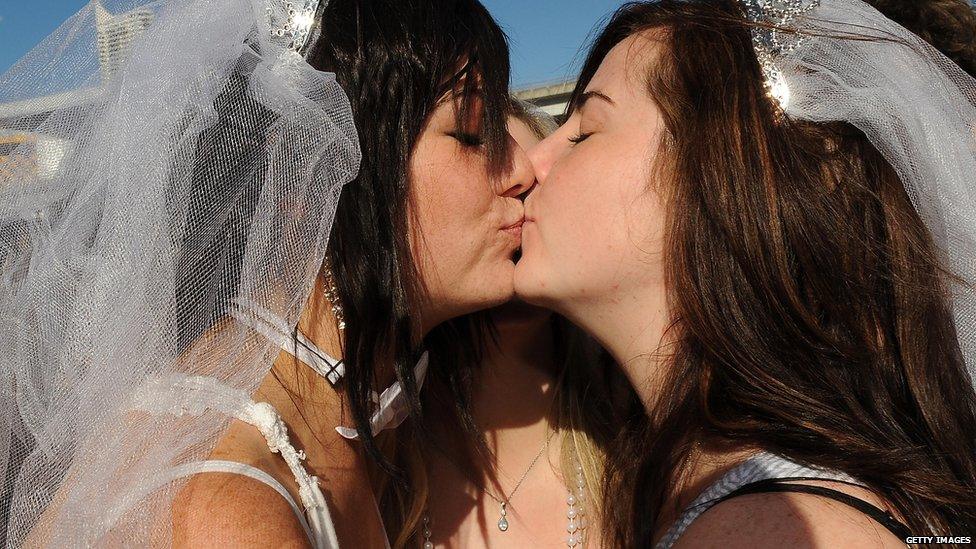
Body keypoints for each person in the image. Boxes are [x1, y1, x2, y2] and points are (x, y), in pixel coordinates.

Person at [0, 0, 533, 546]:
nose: (522, 170)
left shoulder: (369, 415)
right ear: (313, 177)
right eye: (471, 132)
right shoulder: (231, 510)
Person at [516, 0, 976, 547]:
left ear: (719, 181)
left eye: (586, 128)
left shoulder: (765, 529)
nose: (532, 162)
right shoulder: (768, 485)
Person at [407, 101, 632, 548]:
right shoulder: (376, 464)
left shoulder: (638, 450)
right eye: (491, 192)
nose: (516, 220)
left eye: (532, 195)